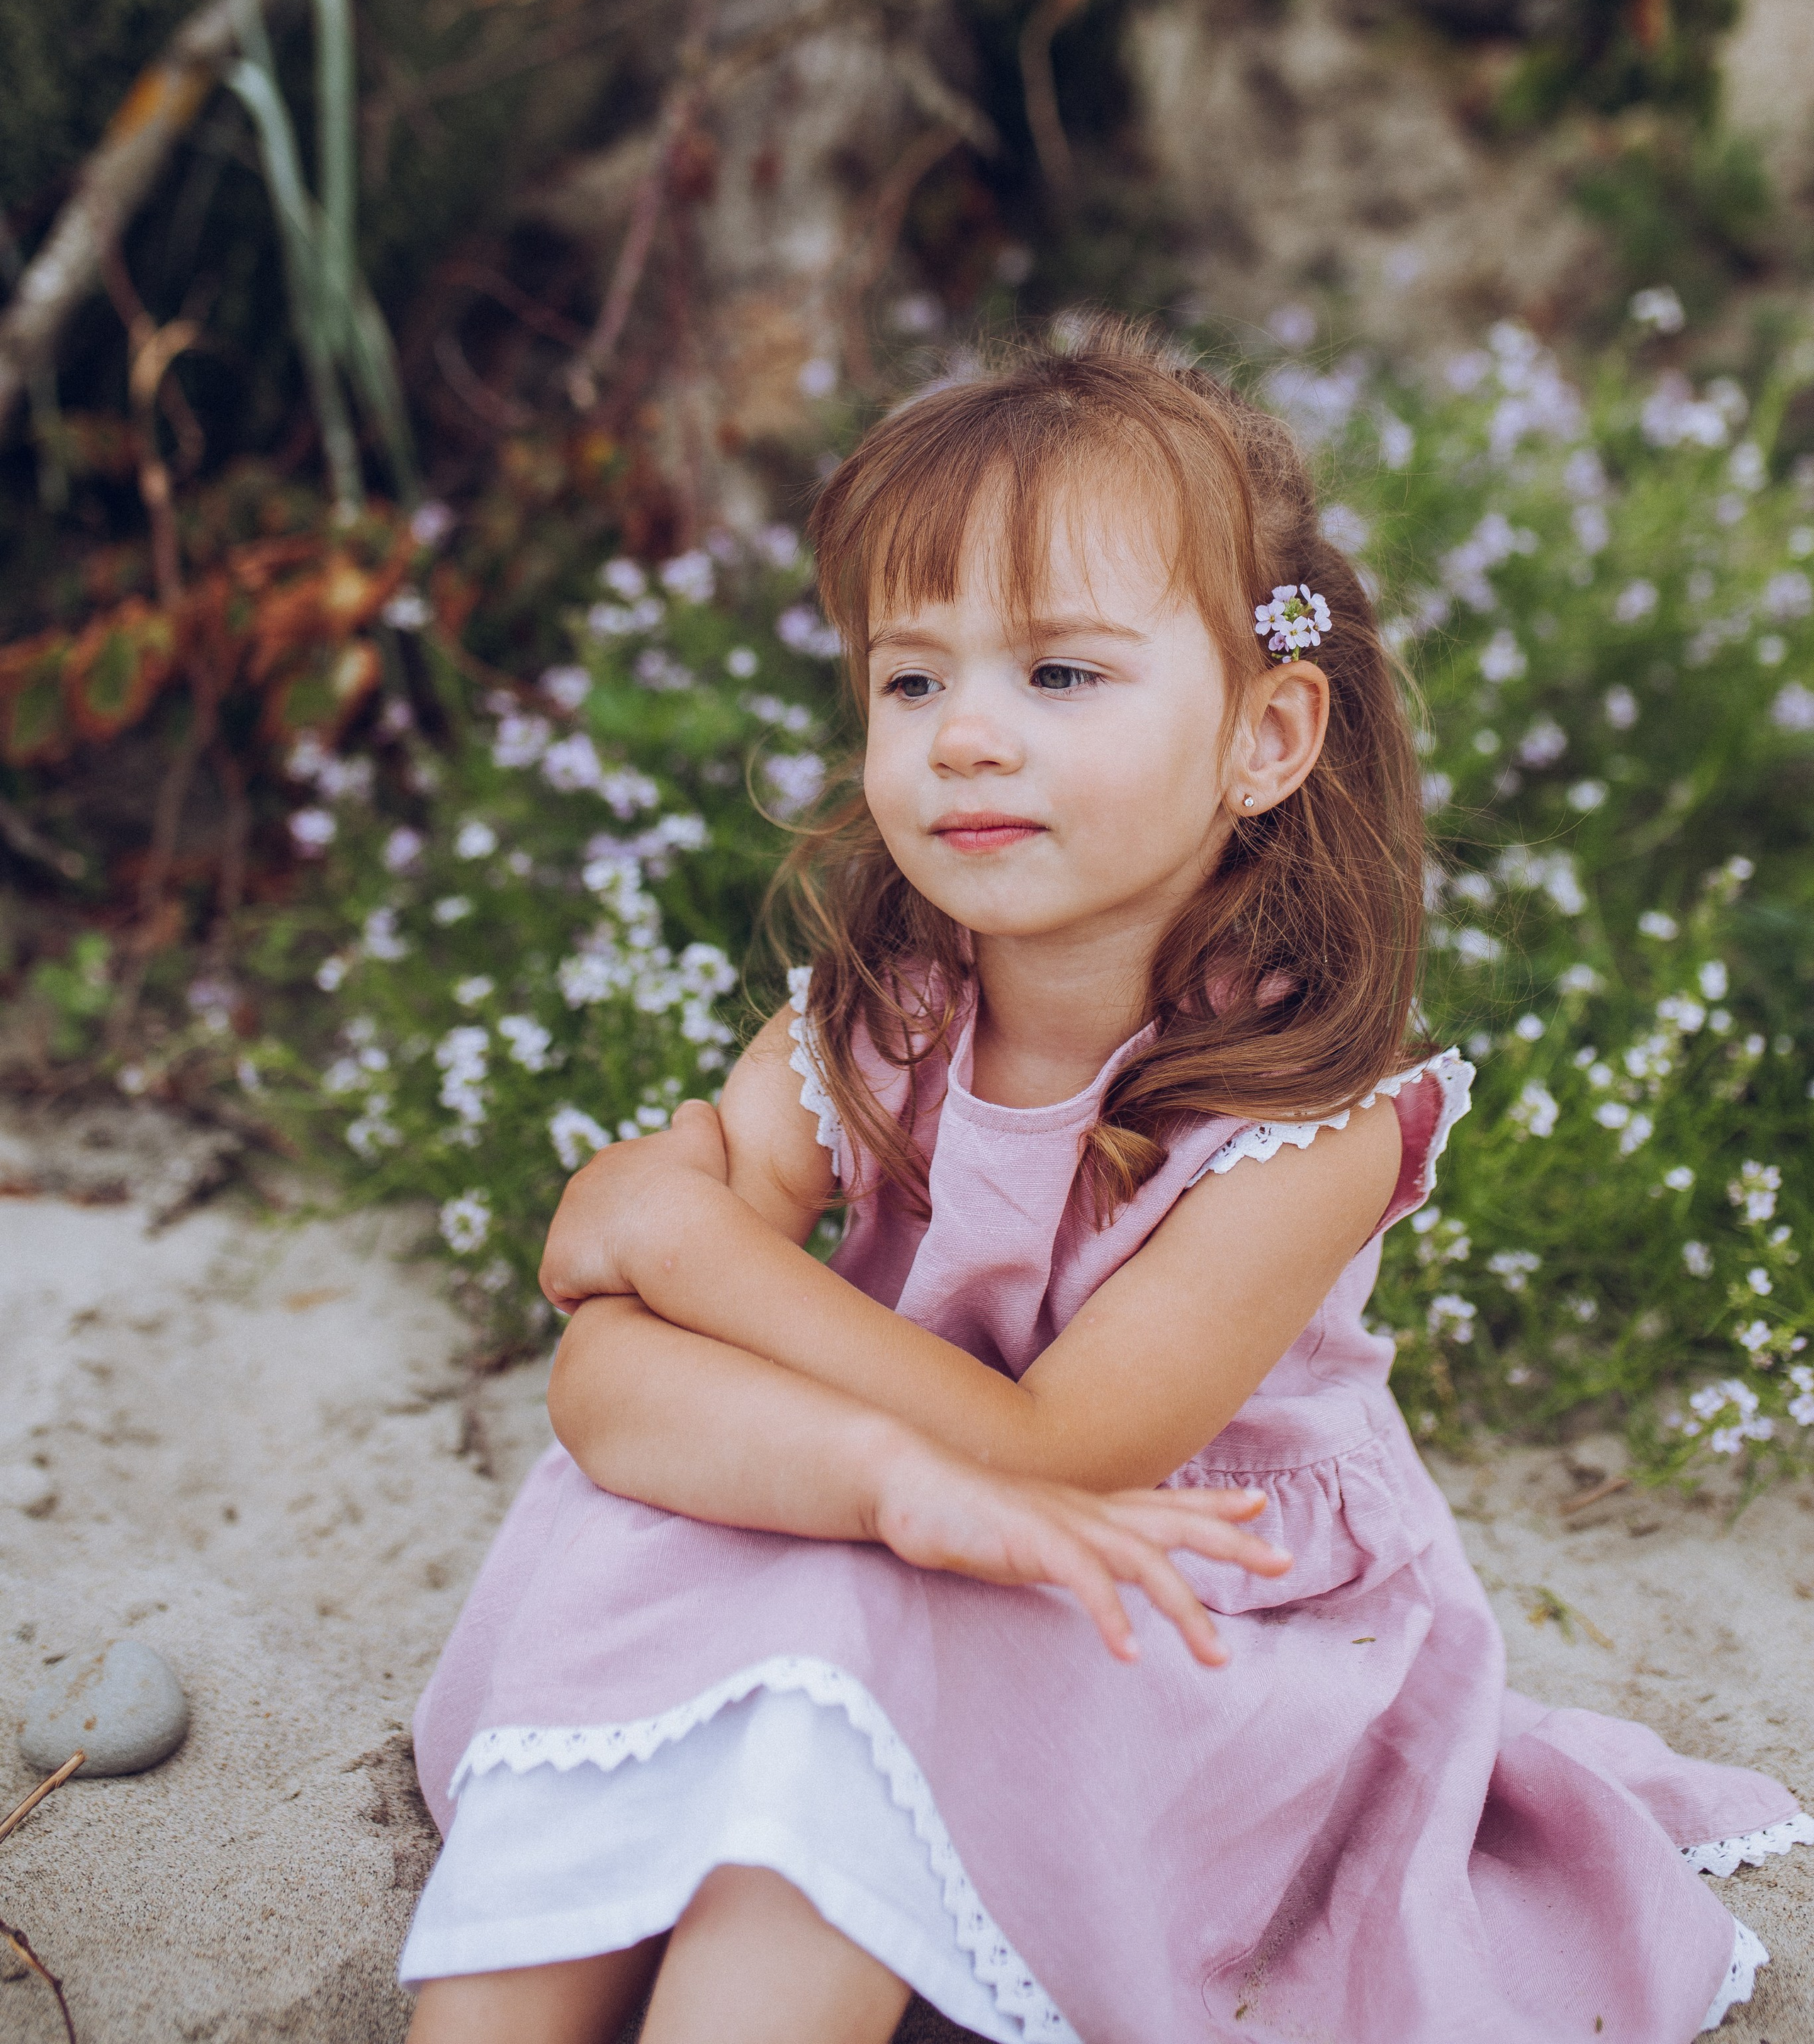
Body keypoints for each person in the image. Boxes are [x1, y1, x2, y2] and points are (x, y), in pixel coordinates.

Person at [400, 320, 1808, 2044]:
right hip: (882, 1505)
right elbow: (596, 1383)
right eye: (912, 680)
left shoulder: (1310, 1123)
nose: (964, 736)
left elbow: (1060, 1454)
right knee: (690, 1554)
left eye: (1058, 675)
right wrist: (872, 1478)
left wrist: (691, 1239)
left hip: (1168, 1588)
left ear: (1263, 737)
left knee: (831, 1716)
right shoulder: (874, 1022)